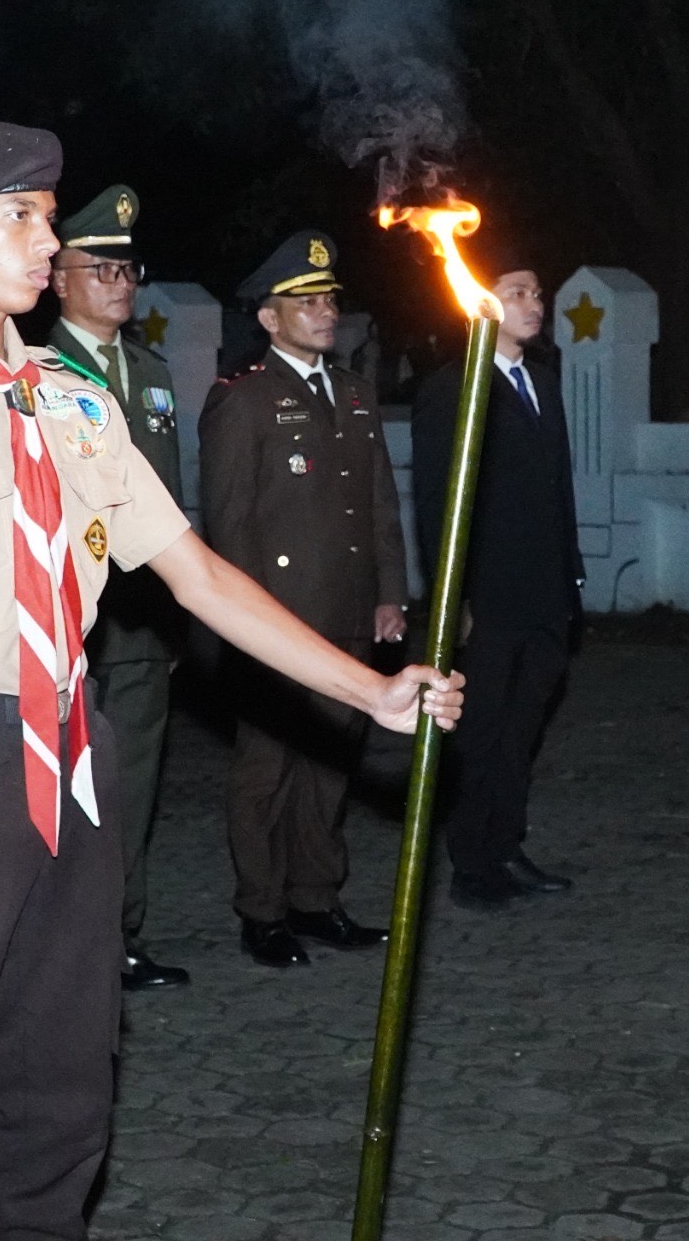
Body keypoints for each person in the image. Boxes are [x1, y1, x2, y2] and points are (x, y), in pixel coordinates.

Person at [0, 121, 462, 1239]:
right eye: (17, 216)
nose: (43, 239)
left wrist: (369, 691)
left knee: (62, 1091)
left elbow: (200, 576)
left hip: (73, 754)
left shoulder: (70, 400)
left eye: (44, 215)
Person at [201, 228, 409, 968]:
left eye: (328, 298)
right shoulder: (245, 401)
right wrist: (249, 624)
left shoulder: (353, 393)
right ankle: (262, 911)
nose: (325, 311)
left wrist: (391, 593)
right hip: (279, 621)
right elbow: (229, 528)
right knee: (268, 770)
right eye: (306, 301)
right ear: (269, 318)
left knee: (330, 765)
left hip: (349, 612)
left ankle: (316, 898)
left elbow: (379, 503)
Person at [45, 184, 193, 990]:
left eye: (128, 267)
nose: (118, 280)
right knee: (59, 789)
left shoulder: (153, 372)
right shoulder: (33, 372)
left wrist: (174, 621)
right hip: (64, 614)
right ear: (58, 278)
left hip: (140, 626)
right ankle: (59, 941)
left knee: (132, 782)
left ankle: (119, 936)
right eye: (98, 266)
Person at [412, 258, 583, 911]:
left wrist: (572, 574)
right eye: (517, 292)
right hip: (488, 593)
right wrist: (453, 600)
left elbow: (557, 488)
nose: (534, 302)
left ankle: (507, 844)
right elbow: (435, 499)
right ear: (481, 305)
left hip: (546, 591)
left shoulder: (544, 381)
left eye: (538, 292)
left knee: (522, 729)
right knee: (480, 728)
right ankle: (471, 861)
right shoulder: (452, 386)